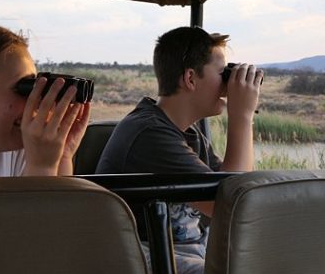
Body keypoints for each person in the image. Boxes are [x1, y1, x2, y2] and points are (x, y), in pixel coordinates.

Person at [96, 26, 263, 274]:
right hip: (144, 254)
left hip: (184, 251)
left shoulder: (187, 133)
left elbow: (236, 190)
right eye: (223, 73)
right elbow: (231, 205)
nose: (228, 84)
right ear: (190, 78)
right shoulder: (149, 133)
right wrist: (241, 116)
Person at [0, 23, 90, 176]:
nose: (36, 101)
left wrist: (61, 156)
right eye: (24, 87)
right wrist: (42, 168)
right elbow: (39, 200)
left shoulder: (19, 151)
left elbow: (63, 199)